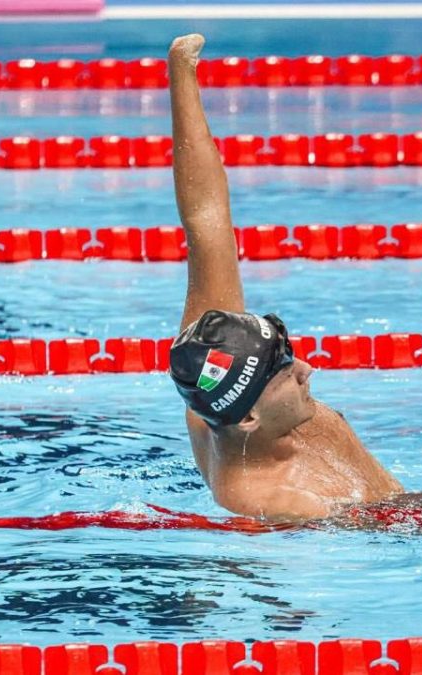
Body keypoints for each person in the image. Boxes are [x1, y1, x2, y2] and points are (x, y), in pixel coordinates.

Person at [164, 34, 403, 523]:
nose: (307, 370)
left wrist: (181, 74)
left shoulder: (214, 366)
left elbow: (207, 221)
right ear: (248, 416)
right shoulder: (272, 505)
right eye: (286, 375)